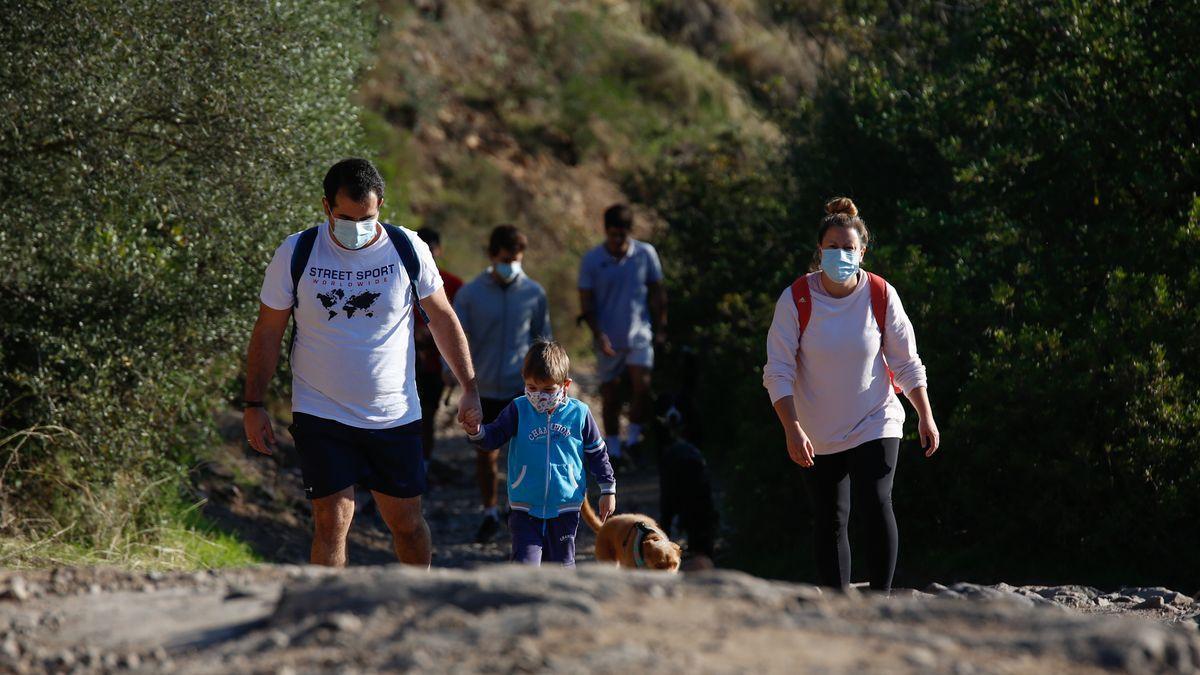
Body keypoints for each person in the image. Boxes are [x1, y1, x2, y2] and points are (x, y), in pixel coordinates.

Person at [243, 158, 482, 567]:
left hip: (393, 413)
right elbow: (268, 331)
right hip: (321, 410)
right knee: (332, 520)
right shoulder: (296, 252)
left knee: (405, 522)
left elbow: (442, 318)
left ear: (381, 206)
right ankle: (329, 614)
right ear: (325, 208)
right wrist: (254, 404)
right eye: (345, 217)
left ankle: (415, 604)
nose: (357, 227)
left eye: (367, 217)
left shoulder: (408, 248)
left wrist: (469, 386)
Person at [763, 197, 940, 593]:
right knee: (830, 516)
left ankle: (880, 601)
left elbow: (907, 361)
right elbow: (777, 370)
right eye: (832, 248)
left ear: (862, 251)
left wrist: (924, 414)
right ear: (819, 251)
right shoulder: (796, 299)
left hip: (876, 417)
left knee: (877, 501)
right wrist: (791, 427)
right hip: (816, 429)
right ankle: (837, 607)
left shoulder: (880, 294)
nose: (840, 255)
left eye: (849, 248)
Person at [463, 340, 616, 567]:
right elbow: (493, 437)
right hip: (524, 506)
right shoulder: (518, 408)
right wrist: (476, 430)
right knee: (525, 564)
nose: (539, 395)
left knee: (562, 564)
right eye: (532, 388)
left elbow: (597, 452)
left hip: (565, 505)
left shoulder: (580, 414)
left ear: (565, 385)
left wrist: (607, 489)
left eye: (548, 390)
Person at [453, 224, 552, 543]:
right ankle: (489, 512)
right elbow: (455, 337)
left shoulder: (534, 293)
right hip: (482, 388)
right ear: (493, 255)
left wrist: (550, 381)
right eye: (507, 258)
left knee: (525, 451)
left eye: (518, 258)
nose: (513, 264)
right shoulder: (470, 293)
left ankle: (520, 511)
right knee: (485, 453)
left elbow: (544, 340)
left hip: (521, 388)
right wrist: (452, 375)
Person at [578, 204, 667, 468]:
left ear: (630, 233)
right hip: (608, 335)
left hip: (639, 332)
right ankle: (613, 448)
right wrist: (598, 334)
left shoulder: (645, 254)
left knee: (643, 385)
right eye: (612, 235)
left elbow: (657, 291)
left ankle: (635, 438)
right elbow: (586, 302)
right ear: (606, 232)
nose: (617, 241)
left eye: (622, 235)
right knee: (610, 393)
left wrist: (661, 327)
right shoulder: (592, 260)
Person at [414, 227, 464, 475]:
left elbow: (460, 326)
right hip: (402, 361)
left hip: (436, 363)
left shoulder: (454, 285)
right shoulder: (397, 280)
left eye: (430, 249)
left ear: (439, 250)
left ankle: (423, 466)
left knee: (427, 414)